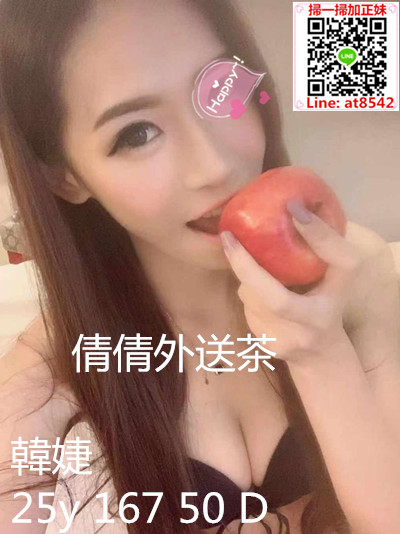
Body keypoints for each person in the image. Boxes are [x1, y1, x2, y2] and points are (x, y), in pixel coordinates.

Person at [0, 1, 399, 533]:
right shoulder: (48, 372)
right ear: (64, 177)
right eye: (137, 134)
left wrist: (322, 357)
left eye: (220, 89)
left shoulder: (357, 273)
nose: (214, 165)